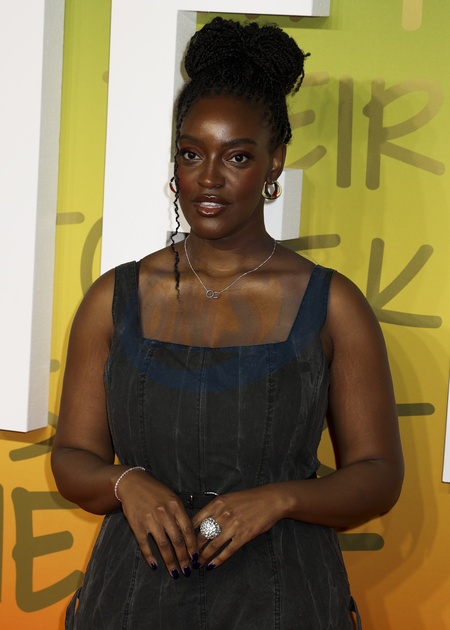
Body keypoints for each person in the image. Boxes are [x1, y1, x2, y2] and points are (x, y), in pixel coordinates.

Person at [51, 16, 404, 630]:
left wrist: (282, 497)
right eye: (191, 154)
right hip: (133, 601)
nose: (208, 179)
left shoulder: (333, 305)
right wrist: (126, 483)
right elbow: (73, 458)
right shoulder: (115, 297)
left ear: (274, 164)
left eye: (237, 156)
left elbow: (378, 478)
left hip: (285, 600)